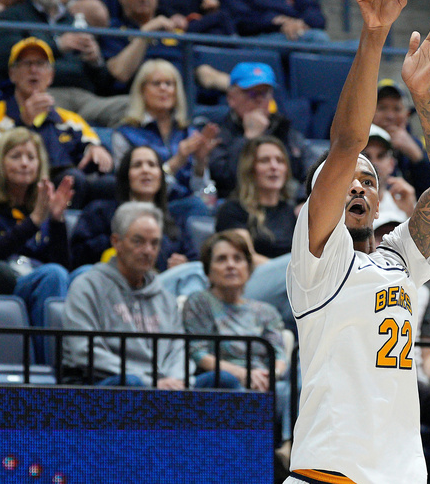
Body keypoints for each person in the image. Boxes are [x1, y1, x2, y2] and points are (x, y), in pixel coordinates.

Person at [286, 0, 430, 483]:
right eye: (348, 180)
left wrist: (424, 95)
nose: (359, 184)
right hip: (329, 473)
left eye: (370, 180)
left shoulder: (398, 259)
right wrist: (374, 35)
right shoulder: (317, 256)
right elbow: (347, 143)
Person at [61, 201, 202, 387]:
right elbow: (84, 351)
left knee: (224, 381)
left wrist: (175, 380)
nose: (148, 251)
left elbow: (178, 350)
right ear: (116, 242)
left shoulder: (164, 297)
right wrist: (149, 382)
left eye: (154, 243)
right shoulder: (87, 287)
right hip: (102, 382)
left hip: (162, 384)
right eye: (138, 241)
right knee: (132, 384)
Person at [0, 0, 125, 126]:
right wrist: (58, 45)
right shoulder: (12, 16)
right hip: (42, 95)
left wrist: (96, 61)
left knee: (133, 109)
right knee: (45, 113)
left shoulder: (74, 20)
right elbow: (4, 57)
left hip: (87, 99)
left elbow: (103, 83)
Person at [0, 36, 113, 207]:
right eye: (26, 63)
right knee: (73, 179)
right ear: (12, 74)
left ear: (50, 76)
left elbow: (91, 142)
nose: (34, 70)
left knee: (110, 184)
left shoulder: (69, 118)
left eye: (41, 64)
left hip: (70, 184)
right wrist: (24, 123)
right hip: (18, 186)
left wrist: (96, 149)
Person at [183, 229, 290, 434]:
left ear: (248, 268)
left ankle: (287, 449)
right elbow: (198, 353)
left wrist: (270, 375)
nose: (231, 265)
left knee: (295, 390)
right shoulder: (199, 302)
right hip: (223, 381)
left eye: (238, 259)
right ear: (208, 270)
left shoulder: (265, 311)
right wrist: (243, 374)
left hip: (263, 380)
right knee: (232, 387)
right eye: (221, 259)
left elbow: (278, 352)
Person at [0, 126, 69, 327]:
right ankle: (50, 357)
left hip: (44, 276)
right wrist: (34, 221)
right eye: (16, 156)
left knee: (82, 274)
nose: (24, 163)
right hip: (10, 279)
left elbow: (62, 266)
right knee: (52, 275)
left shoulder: (44, 204)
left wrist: (56, 220)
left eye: (31, 157)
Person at [111, 59, 218, 227]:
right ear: (142, 90)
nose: (164, 89)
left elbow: (206, 195)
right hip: (143, 208)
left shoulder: (188, 133)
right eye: (156, 83)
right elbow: (125, 187)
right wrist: (177, 161)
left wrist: (200, 163)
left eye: (169, 84)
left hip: (185, 207)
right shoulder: (126, 134)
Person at [70, 145, 194, 277]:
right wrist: (123, 239)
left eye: (152, 165)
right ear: (125, 175)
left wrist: (184, 266)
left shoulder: (175, 219)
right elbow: (77, 257)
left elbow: (195, 262)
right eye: (137, 165)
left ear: (160, 176)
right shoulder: (99, 211)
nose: (145, 170)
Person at [209, 62, 314, 200]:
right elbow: (224, 180)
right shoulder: (218, 132)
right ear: (231, 98)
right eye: (251, 93)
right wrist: (249, 139)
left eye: (264, 94)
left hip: (284, 208)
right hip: (236, 207)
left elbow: (312, 171)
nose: (259, 100)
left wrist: (302, 201)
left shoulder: (283, 128)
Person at [215, 136, 296, 261]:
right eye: (264, 160)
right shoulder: (233, 210)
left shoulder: (292, 212)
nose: (274, 167)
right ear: (250, 169)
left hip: (291, 276)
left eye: (280, 161)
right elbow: (245, 258)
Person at [373, 78, 430, 195]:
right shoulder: (357, 143)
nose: (390, 116)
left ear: (407, 114)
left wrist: (417, 156)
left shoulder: (420, 144)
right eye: (382, 108)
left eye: (397, 109)